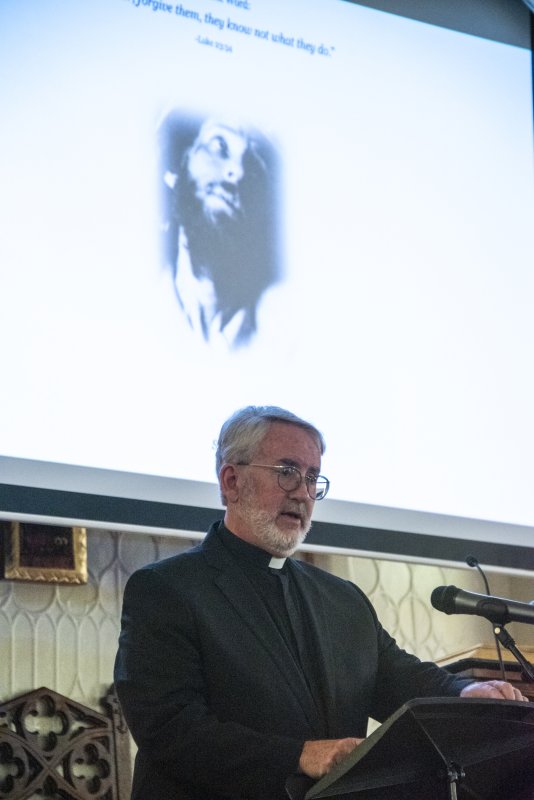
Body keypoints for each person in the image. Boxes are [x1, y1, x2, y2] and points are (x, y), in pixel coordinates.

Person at [114, 406, 527, 800]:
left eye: (313, 478)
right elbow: (168, 727)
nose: (303, 493)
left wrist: (465, 691)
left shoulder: (341, 599)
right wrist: (298, 756)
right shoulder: (166, 589)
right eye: (287, 472)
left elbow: (399, 678)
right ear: (231, 481)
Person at [159, 114, 280, 348]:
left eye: (253, 165)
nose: (237, 172)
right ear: (182, 159)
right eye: (219, 146)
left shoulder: (277, 323)